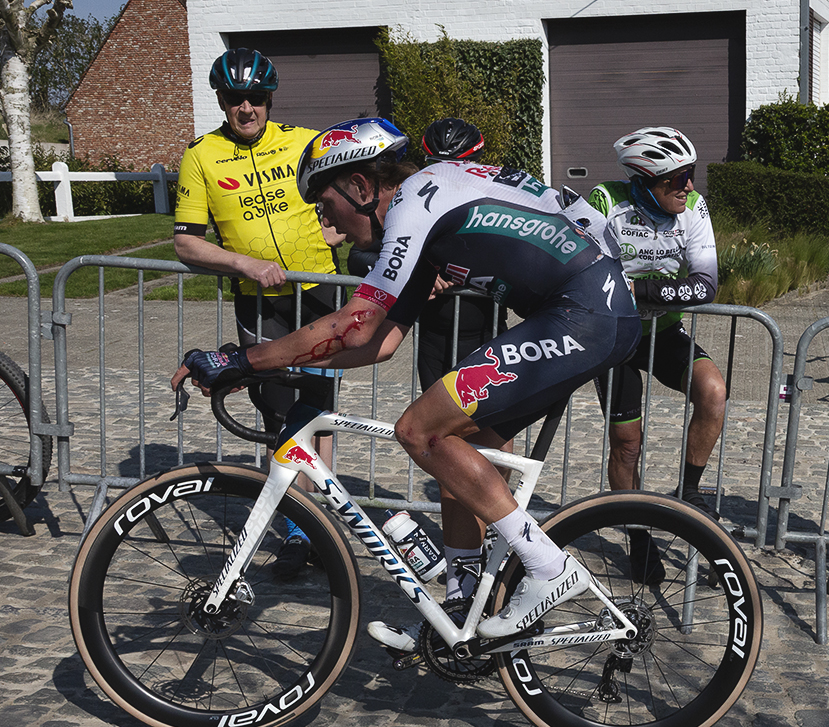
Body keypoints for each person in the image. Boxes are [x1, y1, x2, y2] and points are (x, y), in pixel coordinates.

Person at [171, 117, 640, 641]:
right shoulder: (427, 218)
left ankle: (549, 569)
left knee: (419, 429)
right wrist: (273, 364)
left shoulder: (415, 204)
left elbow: (352, 326)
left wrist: (243, 359)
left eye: (327, 205)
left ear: (361, 186)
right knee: (456, 459)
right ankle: (461, 616)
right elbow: (379, 343)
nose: (330, 225)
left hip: (584, 315)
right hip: (587, 313)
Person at [173, 47, 342, 580]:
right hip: (260, 303)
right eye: (234, 99)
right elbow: (186, 243)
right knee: (277, 412)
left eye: (255, 98)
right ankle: (296, 529)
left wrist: (345, 230)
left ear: (269, 99)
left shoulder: (304, 142)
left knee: (318, 411)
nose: (246, 108)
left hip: (319, 292)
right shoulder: (201, 155)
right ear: (221, 101)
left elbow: (350, 199)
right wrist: (243, 262)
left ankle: (323, 520)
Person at [364, 117, 510, 658]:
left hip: (486, 344)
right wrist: (427, 279)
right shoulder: (420, 204)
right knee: (449, 471)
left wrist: (463, 272)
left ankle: (497, 593)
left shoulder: (486, 194)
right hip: (438, 349)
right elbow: (367, 255)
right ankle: (460, 593)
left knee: (495, 465)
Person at [588, 126, 726, 584]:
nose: (689, 185)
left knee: (714, 391)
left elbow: (705, 284)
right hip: (615, 334)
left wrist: (640, 288)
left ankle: (688, 493)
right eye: (677, 178)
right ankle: (637, 536)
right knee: (628, 443)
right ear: (645, 180)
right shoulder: (606, 202)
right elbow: (589, 276)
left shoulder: (693, 209)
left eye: (691, 174)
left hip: (663, 329)